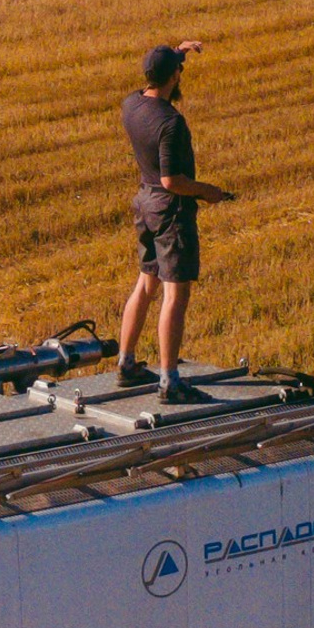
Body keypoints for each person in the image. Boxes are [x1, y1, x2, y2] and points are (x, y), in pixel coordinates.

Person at [117, 41, 233, 402]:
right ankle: (170, 382)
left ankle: (126, 364)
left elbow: (163, 72)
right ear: (174, 77)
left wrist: (179, 53)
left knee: (145, 283)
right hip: (170, 209)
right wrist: (208, 191)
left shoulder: (132, 103)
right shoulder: (171, 123)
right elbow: (173, 181)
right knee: (175, 293)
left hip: (144, 202)